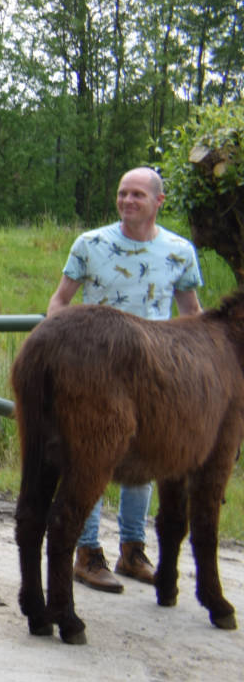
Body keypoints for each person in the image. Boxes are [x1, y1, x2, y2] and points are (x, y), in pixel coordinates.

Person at [46, 166, 203, 593]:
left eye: (137, 195)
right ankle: (88, 551)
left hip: (157, 373)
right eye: (122, 194)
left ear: (158, 201)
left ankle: (133, 549)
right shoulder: (90, 244)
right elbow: (60, 301)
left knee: (149, 458)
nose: (127, 201)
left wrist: (195, 371)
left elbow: (191, 313)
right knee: (91, 457)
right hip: (98, 370)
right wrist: (59, 349)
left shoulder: (179, 251)